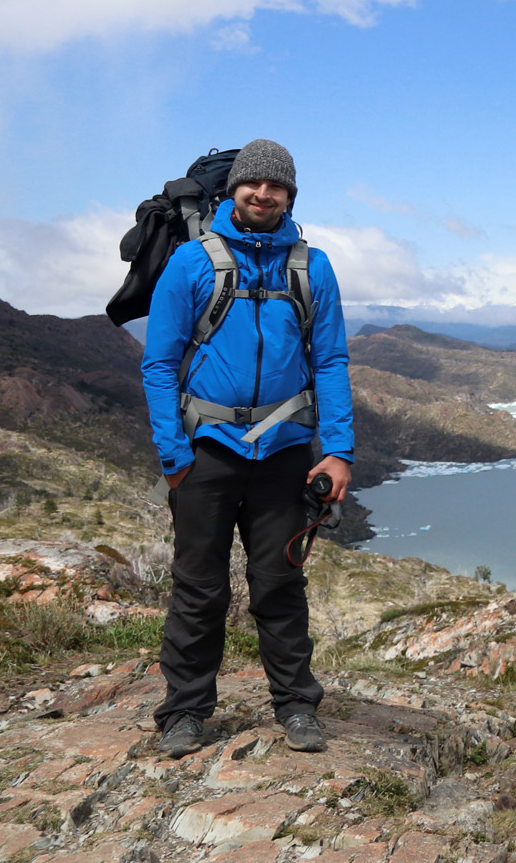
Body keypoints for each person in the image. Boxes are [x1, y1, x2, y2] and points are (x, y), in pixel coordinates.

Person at [140, 139, 355, 757]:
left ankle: (295, 706)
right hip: (206, 451)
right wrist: (174, 455)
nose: (263, 196)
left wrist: (337, 450)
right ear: (233, 190)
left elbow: (332, 360)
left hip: (286, 452)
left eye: (276, 188)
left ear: (290, 196)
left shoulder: (312, 267)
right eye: (252, 186)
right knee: (198, 586)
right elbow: (158, 365)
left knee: (279, 585)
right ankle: (184, 712)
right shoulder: (191, 262)